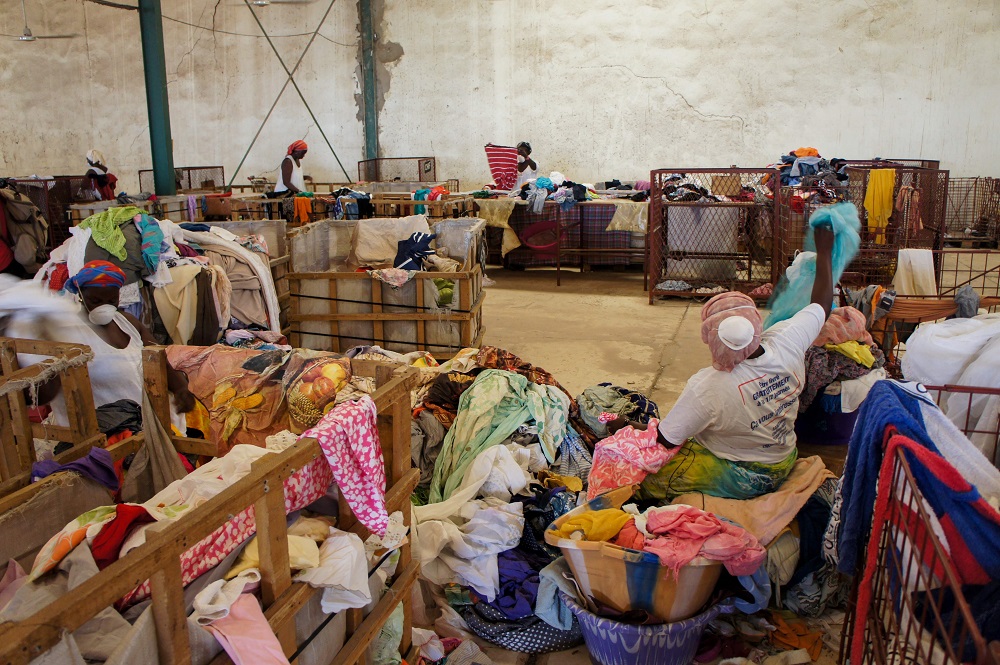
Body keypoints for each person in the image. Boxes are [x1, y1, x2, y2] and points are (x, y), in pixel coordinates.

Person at [611, 227, 835, 501]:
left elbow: (666, 440)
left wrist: (626, 424)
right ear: (756, 322)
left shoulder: (708, 387)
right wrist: (825, 251)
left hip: (743, 475)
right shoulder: (788, 340)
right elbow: (822, 305)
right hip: (784, 458)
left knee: (640, 476)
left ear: (710, 338)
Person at [9, 261, 195, 429]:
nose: (104, 306)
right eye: (95, 301)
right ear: (80, 294)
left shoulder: (128, 323)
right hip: (101, 431)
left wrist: (180, 388)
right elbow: (47, 390)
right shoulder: (67, 329)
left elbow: (157, 357)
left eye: (112, 301)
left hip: (142, 424)